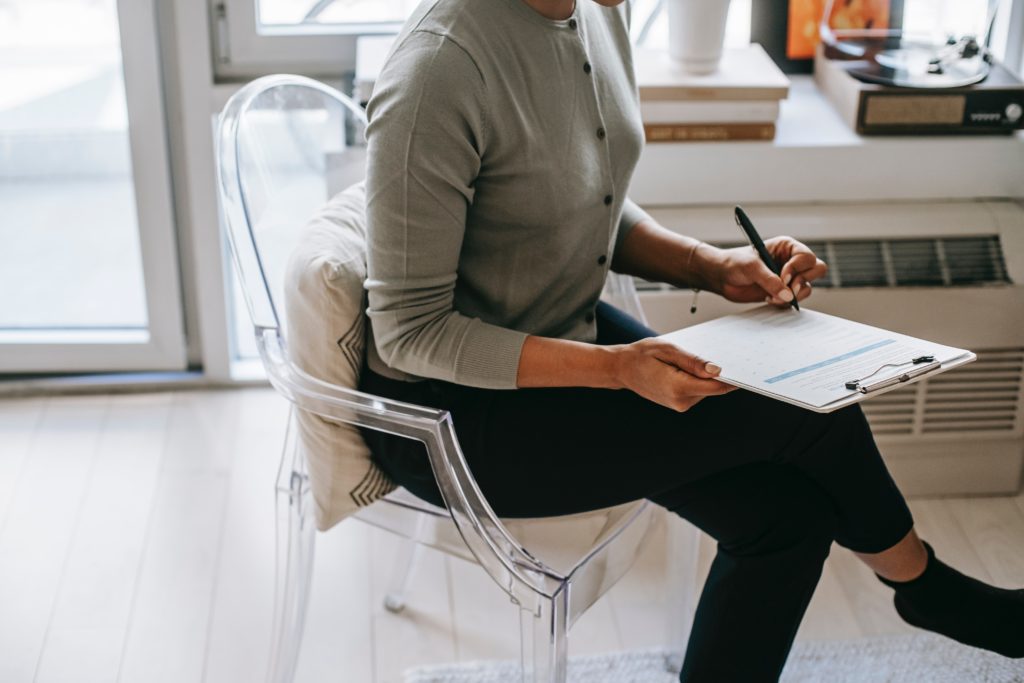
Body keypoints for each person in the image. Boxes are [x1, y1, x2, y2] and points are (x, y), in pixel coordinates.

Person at [357, 0, 1024, 679]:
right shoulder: (439, 70)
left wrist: (715, 265)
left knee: (786, 518)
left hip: (562, 327)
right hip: (450, 416)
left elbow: (579, 200)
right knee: (810, 411)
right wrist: (618, 369)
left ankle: (927, 592)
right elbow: (411, 331)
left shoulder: (593, 11)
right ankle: (930, 591)